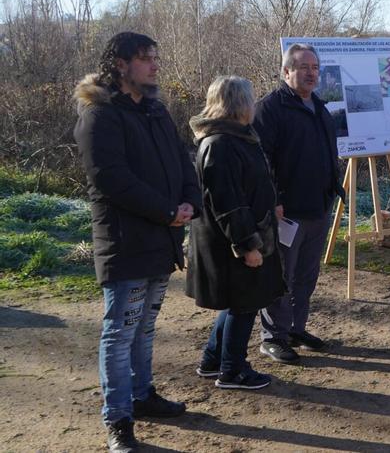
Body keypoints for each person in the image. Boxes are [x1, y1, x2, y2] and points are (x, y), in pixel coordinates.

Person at [74, 32, 202, 453]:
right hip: (126, 243)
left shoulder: (156, 111)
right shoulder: (101, 114)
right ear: (121, 64)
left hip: (162, 240)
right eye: (146, 58)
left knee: (144, 328)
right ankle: (118, 418)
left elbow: (184, 162)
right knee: (120, 332)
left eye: (155, 57)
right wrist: (167, 211)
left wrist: (189, 202)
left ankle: (143, 396)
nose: (154, 64)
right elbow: (111, 179)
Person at [187, 76, 286, 390]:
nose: (254, 105)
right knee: (244, 302)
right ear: (238, 104)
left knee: (239, 302)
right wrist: (247, 245)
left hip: (241, 236)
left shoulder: (236, 138)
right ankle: (233, 369)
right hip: (233, 242)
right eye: (250, 99)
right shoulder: (221, 144)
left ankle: (213, 359)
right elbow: (229, 202)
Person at [253, 43, 344, 364]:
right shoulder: (271, 109)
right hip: (285, 213)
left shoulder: (319, 107)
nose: (311, 73)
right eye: (304, 67)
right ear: (286, 71)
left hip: (318, 208)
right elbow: (259, 160)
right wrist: (273, 199)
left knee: (306, 277)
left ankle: (295, 329)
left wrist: (334, 189)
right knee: (281, 276)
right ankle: (272, 337)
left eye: (315, 68)